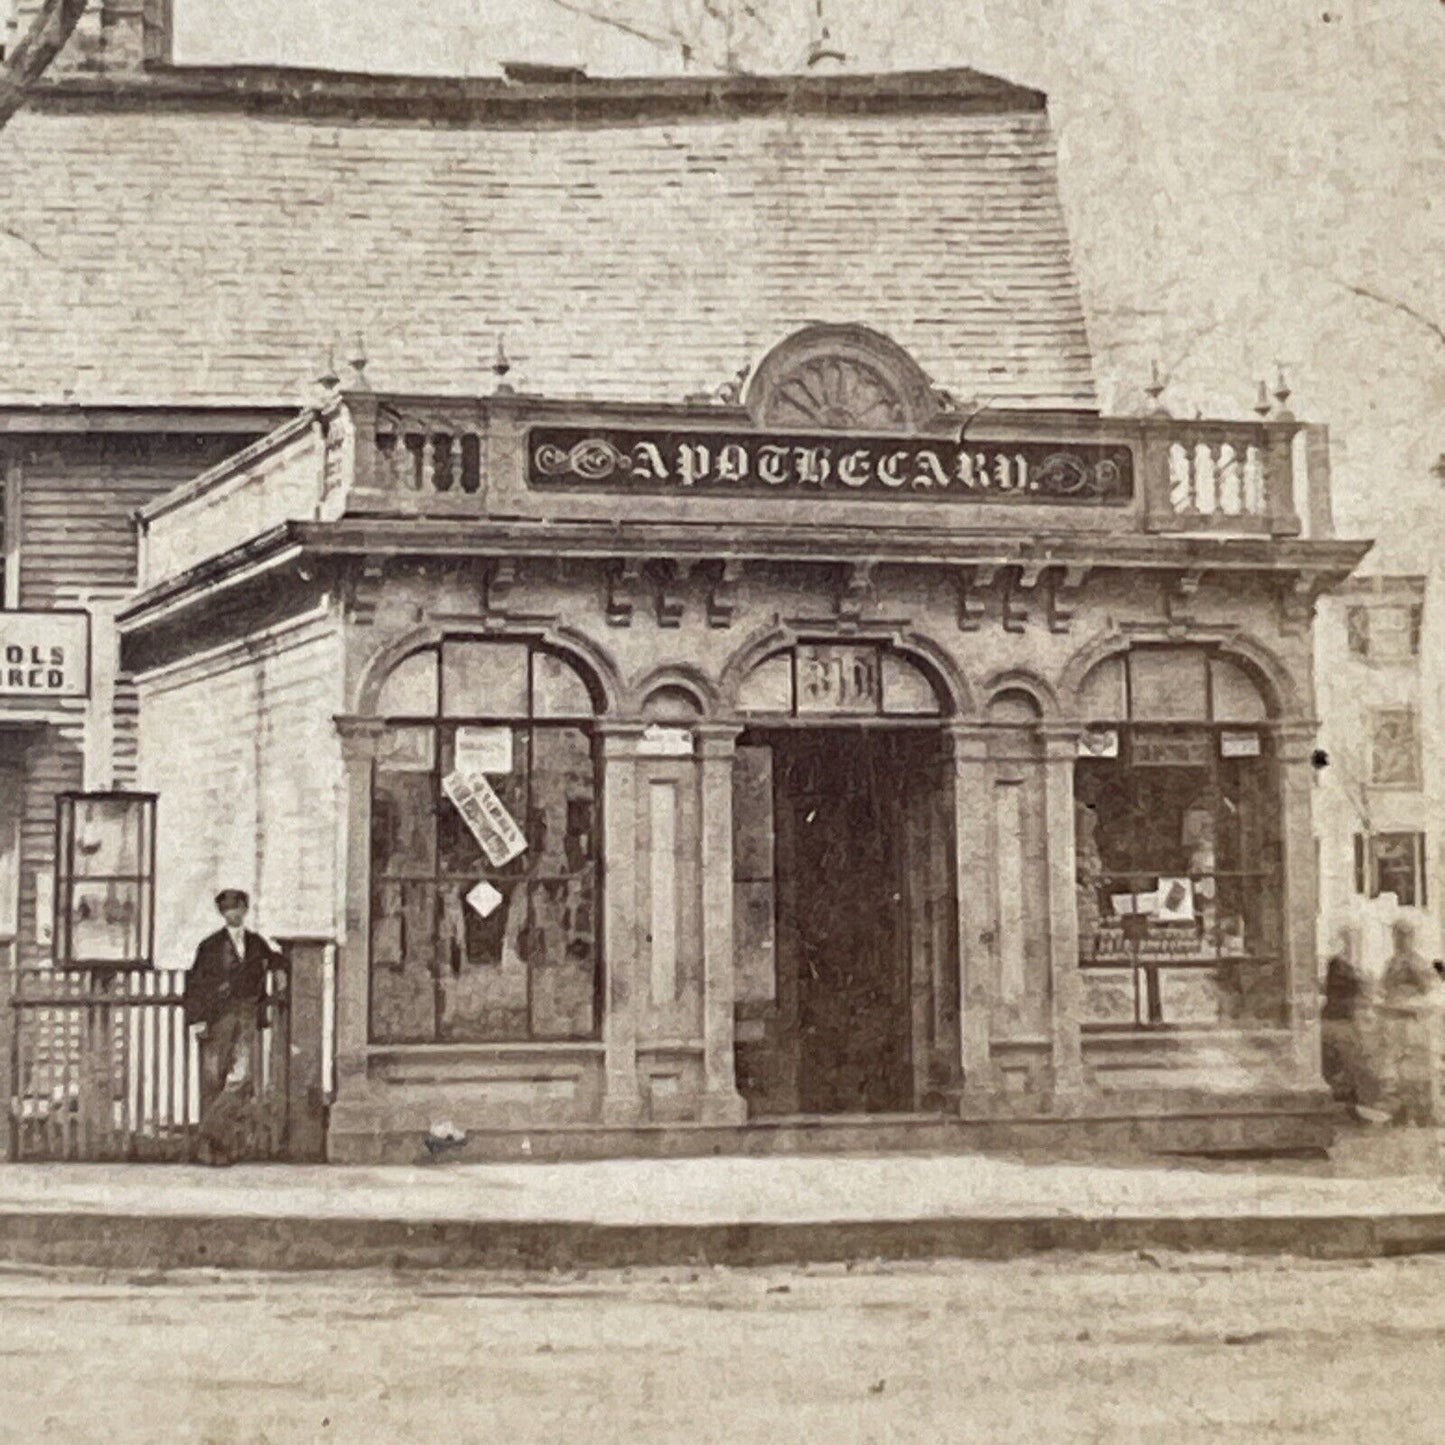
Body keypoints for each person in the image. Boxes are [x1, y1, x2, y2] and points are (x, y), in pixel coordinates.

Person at [184, 889, 281, 1165]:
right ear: (221, 913)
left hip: (247, 1017)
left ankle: (205, 1133)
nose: (233, 913)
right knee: (213, 1080)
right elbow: (195, 985)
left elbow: (274, 959)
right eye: (227, 909)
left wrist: (282, 970)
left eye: (237, 907)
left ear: (246, 909)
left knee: (239, 1079)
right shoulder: (210, 946)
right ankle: (214, 1150)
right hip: (218, 1019)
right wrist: (198, 1020)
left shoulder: (255, 942)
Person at [1376, 920, 1443, 1127]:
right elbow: (1383, 986)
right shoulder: (1392, 963)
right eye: (1397, 936)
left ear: (1411, 938)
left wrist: (1408, 992)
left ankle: (1423, 1113)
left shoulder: (1418, 962)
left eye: (1404, 936)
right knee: (1397, 1070)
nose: (1400, 940)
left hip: (1413, 1021)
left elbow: (1428, 986)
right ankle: (1401, 1112)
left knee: (1418, 1069)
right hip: (1395, 1019)